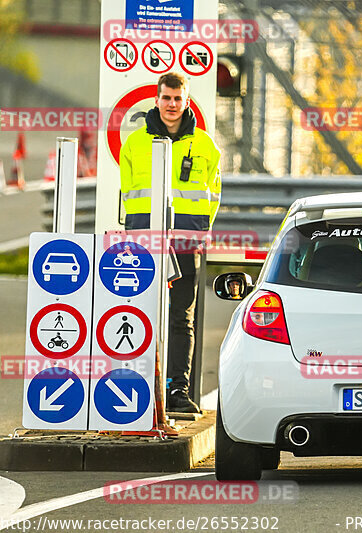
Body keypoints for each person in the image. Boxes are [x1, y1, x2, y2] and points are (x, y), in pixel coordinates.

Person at [119, 72, 221, 413]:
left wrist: (201, 233)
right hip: (143, 244)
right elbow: (129, 194)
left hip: (185, 244)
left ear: (187, 100)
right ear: (157, 99)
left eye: (178, 99)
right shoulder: (134, 143)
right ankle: (138, 386)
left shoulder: (205, 146)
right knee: (140, 313)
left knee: (181, 318)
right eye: (166, 98)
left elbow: (214, 194)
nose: (172, 105)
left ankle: (178, 392)